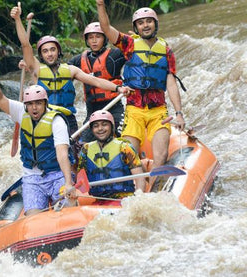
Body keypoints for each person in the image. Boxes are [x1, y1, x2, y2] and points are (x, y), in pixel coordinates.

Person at [96, 1, 185, 187]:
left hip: (158, 110)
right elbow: (106, 28)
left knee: (160, 156)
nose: (145, 25)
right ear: (136, 27)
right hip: (134, 110)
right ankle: (137, 191)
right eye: (141, 22)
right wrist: (100, 5)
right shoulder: (129, 44)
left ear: (155, 24)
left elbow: (171, 83)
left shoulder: (166, 51)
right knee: (131, 155)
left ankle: (151, 192)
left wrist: (178, 113)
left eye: (149, 21)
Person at [10, 2, 133, 136]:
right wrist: (17, 19)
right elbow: (25, 44)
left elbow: (96, 81)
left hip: (70, 118)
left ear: (58, 52)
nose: (50, 54)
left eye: (53, 50)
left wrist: (118, 88)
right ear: (41, 55)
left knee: (79, 150)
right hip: (47, 118)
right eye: (45, 51)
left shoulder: (71, 69)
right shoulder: (37, 68)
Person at [0, 63, 77, 215]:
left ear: (45, 104)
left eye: (38, 103)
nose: (34, 108)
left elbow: (62, 153)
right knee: (33, 217)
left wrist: (68, 182)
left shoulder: (56, 121)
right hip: (32, 177)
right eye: (30, 104)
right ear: (26, 105)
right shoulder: (21, 112)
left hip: (56, 174)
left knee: (67, 211)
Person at [68, 22, 126, 141]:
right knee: (81, 144)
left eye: (98, 37)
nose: (94, 41)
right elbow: (59, 70)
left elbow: (133, 54)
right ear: (87, 41)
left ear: (104, 38)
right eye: (90, 37)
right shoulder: (78, 60)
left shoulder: (115, 55)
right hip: (92, 110)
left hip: (114, 106)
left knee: (123, 138)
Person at [77, 110, 146, 198]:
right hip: (98, 199)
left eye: (104, 124)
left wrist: (139, 198)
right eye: (96, 126)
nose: (100, 128)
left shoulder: (125, 147)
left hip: (122, 199)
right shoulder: (86, 149)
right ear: (92, 129)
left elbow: (139, 177)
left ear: (112, 127)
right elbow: (80, 180)